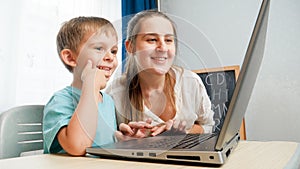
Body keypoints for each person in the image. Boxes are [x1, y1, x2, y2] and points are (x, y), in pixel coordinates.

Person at [106, 10, 215, 141]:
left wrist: (184, 133)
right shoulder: (115, 92)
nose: (163, 48)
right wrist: (126, 141)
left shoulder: (190, 82)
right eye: (152, 39)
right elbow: (106, 140)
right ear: (130, 47)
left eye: (168, 40)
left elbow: (207, 126)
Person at [43, 16, 119, 156]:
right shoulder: (60, 100)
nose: (111, 57)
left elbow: (103, 147)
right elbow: (78, 146)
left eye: (113, 51)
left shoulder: (108, 101)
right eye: (99, 48)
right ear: (71, 58)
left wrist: (125, 139)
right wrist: (91, 86)